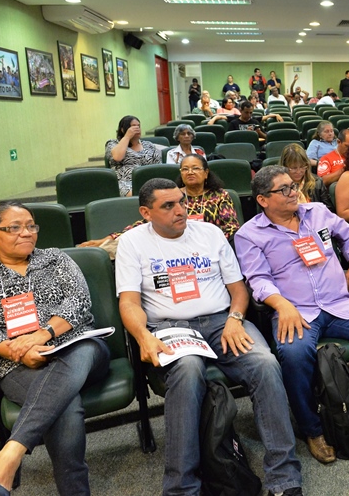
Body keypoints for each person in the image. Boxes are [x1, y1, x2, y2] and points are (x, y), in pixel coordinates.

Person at [115, 179, 303, 496]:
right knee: (188, 370)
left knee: (265, 364)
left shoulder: (210, 233)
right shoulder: (132, 243)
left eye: (182, 202)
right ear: (146, 213)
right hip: (169, 325)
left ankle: (284, 478)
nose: (180, 210)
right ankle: (182, 487)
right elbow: (130, 302)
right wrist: (143, 337)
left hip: (221, 320)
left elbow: (238, 290)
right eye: (168, 206)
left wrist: (235, 319)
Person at [234, 166, 349, 463]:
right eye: (283, 189)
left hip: (338, 302)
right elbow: (257, 279)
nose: (293, 192)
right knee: (294, 354)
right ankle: (312, 428)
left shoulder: (318, 212)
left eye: (293, 186)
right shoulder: (250, 234)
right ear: (262, 200)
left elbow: (348, 236)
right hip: (295, 310)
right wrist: (282, 305)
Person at [0, 201, 111, 496]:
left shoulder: (55, 259)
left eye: (31, 226)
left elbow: (79, 301)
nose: (27, 233)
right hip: (18, 364)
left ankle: (10, 452)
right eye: (14, 228)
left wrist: (42, 335)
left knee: (80, 352)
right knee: (65, 404)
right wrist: (16, 352)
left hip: (80, 348)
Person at [79, 154, 241, 251]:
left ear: (206, 173)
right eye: (185, 169)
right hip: (169, 245)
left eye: (195, 168)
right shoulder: (173, 196)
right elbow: (145, 222)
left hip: (209, 249)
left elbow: (231, 229)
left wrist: (205, 244)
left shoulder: (220, 195)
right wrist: (109, 238)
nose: (190, 172)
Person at [106, 115, 161, 196]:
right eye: (133, 126)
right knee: (141, 195)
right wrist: (127, 136)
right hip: (124, 182)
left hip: (149, 181)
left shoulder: (149, 145)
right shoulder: (113, 144)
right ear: (123, 129)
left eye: (138, 126)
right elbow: (117, 157)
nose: (137, 128)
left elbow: (158, 166)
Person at [280, 143, 333, 211]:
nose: (298, 171)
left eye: (302, 167)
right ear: (284, 166)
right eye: (294, 168)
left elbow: (328, 210)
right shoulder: (278, 186)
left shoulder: (317, 182)